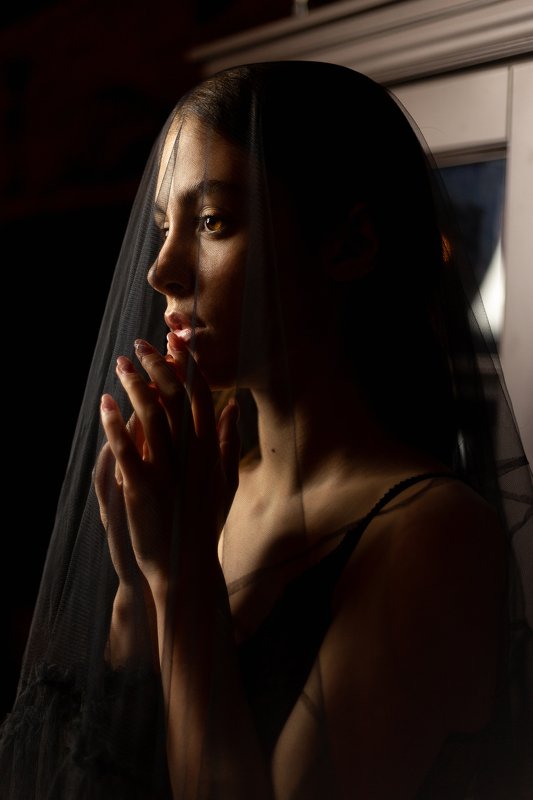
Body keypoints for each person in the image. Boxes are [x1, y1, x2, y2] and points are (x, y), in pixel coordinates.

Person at [0, 60, 531, 799]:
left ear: (348, 245)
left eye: (212, 222)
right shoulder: (200, 487)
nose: (161, 270)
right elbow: (108, 758)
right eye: (164, 227)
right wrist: (135, 581)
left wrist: (180, 581)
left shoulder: (432, 535)